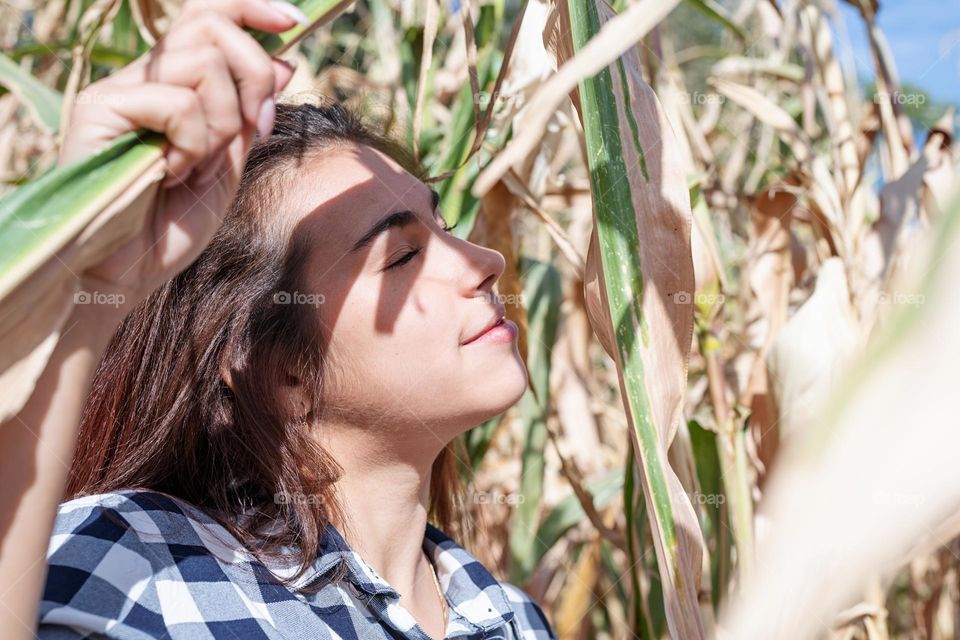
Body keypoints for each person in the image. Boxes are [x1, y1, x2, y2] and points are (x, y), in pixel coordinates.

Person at [0, 1, 557, 638]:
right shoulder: (137, 565)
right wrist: (91, 281)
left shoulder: (514, 619)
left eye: (449, 227)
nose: (487, 260)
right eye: (402, 255)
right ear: (276, 365)